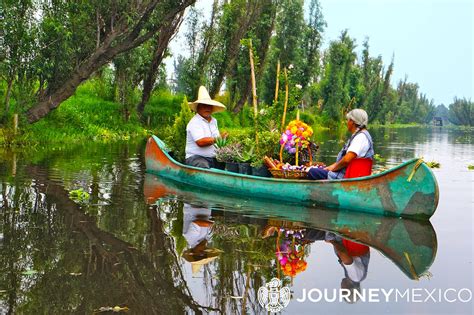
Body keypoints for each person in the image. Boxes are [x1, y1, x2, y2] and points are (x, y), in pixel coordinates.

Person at [307, 108, 374, 180]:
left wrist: (333, 168)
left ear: (352, 122)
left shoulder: (361, 137)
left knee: (312, 172)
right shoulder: (360, 135)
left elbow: (346, 160)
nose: (347, 122)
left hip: (346, 176)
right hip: (347, 173)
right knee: (321, 169)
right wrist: (330, 167)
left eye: (348, 120)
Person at [185, 86, 228, 168]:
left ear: (212, 108)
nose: (207, 108)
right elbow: (200, 142)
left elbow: (217, 139)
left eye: (209, 106)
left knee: (228, 164)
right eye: (203, 106)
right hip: (196, 158)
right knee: (203, 166)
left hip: (213, 158)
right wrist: (219, 138)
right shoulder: (194, 122)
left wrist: (224, 138)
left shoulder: (214, 121)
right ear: (198, 108)